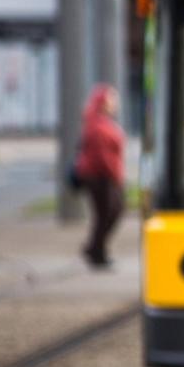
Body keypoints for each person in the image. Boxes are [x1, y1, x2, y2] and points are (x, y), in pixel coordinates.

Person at [74, 82, 126, 269]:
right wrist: (115, 176)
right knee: (108, 213)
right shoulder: (97, 124)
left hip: (103, 176)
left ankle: (95, 249)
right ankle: (96, 251)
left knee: (107, 214)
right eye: (112, 99)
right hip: (101, 177)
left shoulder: (100, 122)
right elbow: (102, 156)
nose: (115, 103)